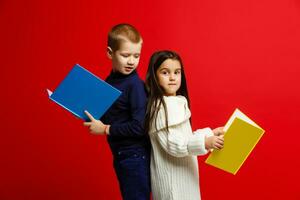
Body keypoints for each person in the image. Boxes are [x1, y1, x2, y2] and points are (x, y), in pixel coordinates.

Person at [144, 50, 224, 200]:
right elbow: (172, 143)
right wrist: (205, 143)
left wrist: (210, 134)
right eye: (165, 72)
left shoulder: (178, 102)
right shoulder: (160, 107)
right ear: (154, 76)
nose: (173, 77)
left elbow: (185, 138)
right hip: (172, 183)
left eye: (177, 72)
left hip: (186, 177)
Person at [83, 24, 151, 200]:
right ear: (109, 53)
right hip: (121, 155)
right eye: (125, 55)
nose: (131, 61)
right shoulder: (111, 81)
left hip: (135, 156)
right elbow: (112, 115)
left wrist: (105, 129)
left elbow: (140, 126)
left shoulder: (135, 85)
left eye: (136, 56)